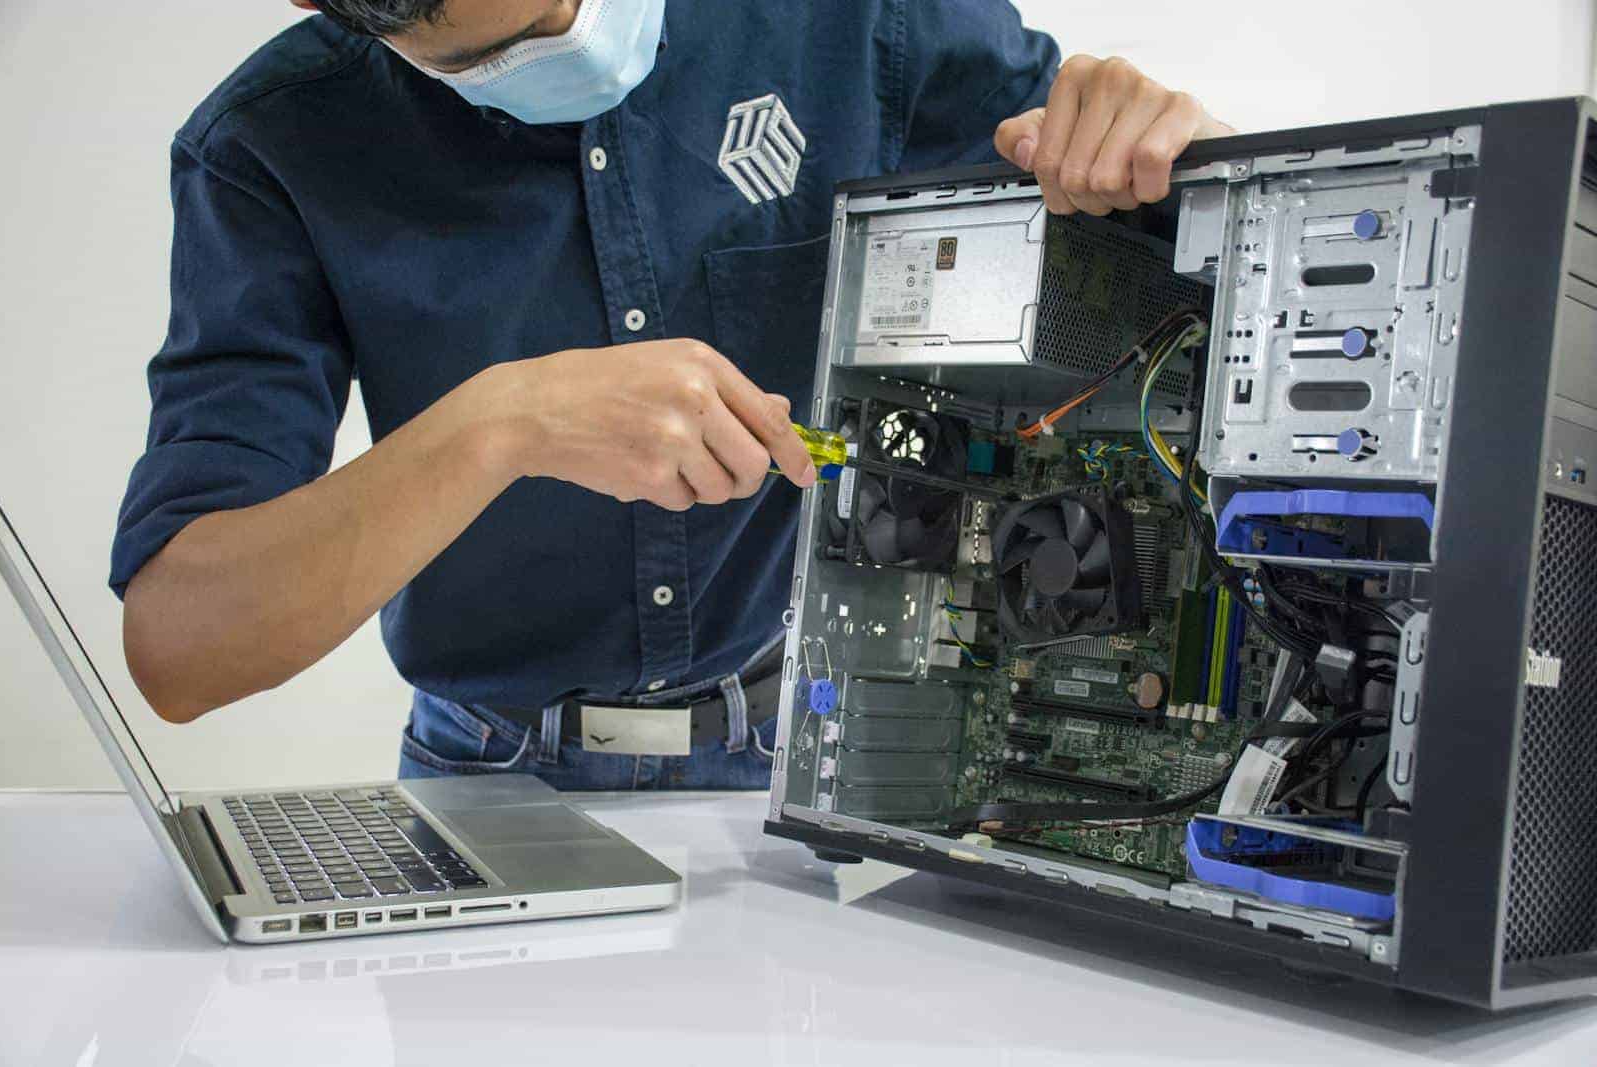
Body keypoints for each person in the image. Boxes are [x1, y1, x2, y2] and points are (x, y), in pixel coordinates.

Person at [111, 0, 1231, 788]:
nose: (576, 37)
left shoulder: (858, 19)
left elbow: (1149, 243)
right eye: (504, 46)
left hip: (812, 760)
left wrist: (1187, 150)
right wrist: (502, 423)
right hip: (485, 779)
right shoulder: (267, 145)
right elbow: (182, 648)